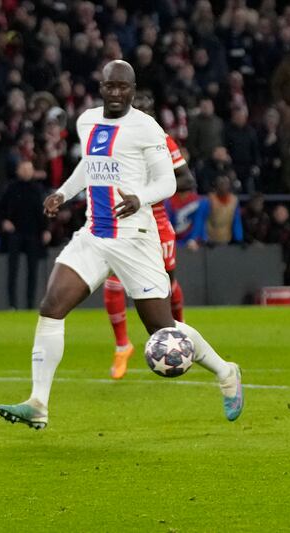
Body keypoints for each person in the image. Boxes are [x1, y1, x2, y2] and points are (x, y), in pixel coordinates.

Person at [0, 60, 244, 430]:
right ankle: (38, 403)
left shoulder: (147, 128)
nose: (116, 93)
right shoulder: (87, 121)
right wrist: (62, 194)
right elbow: (91, 166)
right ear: (101, 87)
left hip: (135, 239)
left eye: (123, 88)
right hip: (95, 234)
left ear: (131, 89)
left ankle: (226, 371)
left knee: (163, 328)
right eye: (110, 87)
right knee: (51, 307)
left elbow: (169, 183)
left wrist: (140, 199)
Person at [104, 91, 193, 379]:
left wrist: (151, 187)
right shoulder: (113, 140)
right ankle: (122, 346)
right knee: (113, 281)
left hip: (155, 221)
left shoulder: (161, 141)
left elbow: (187, 180)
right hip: (123, 221)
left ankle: (179, 336)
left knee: (167, 284)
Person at [0, 161, 51, 309]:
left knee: (33, 271)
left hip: (33, 234)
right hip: (15, 233)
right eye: (24, 169)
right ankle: (12, 305)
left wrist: (46, 230)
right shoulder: (11, 188)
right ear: (18, 171)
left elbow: (45, 212)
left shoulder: (38, 189)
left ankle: (30, 305)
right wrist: (4, 221)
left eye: (30, 169)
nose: (27, 172)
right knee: (12, 271)